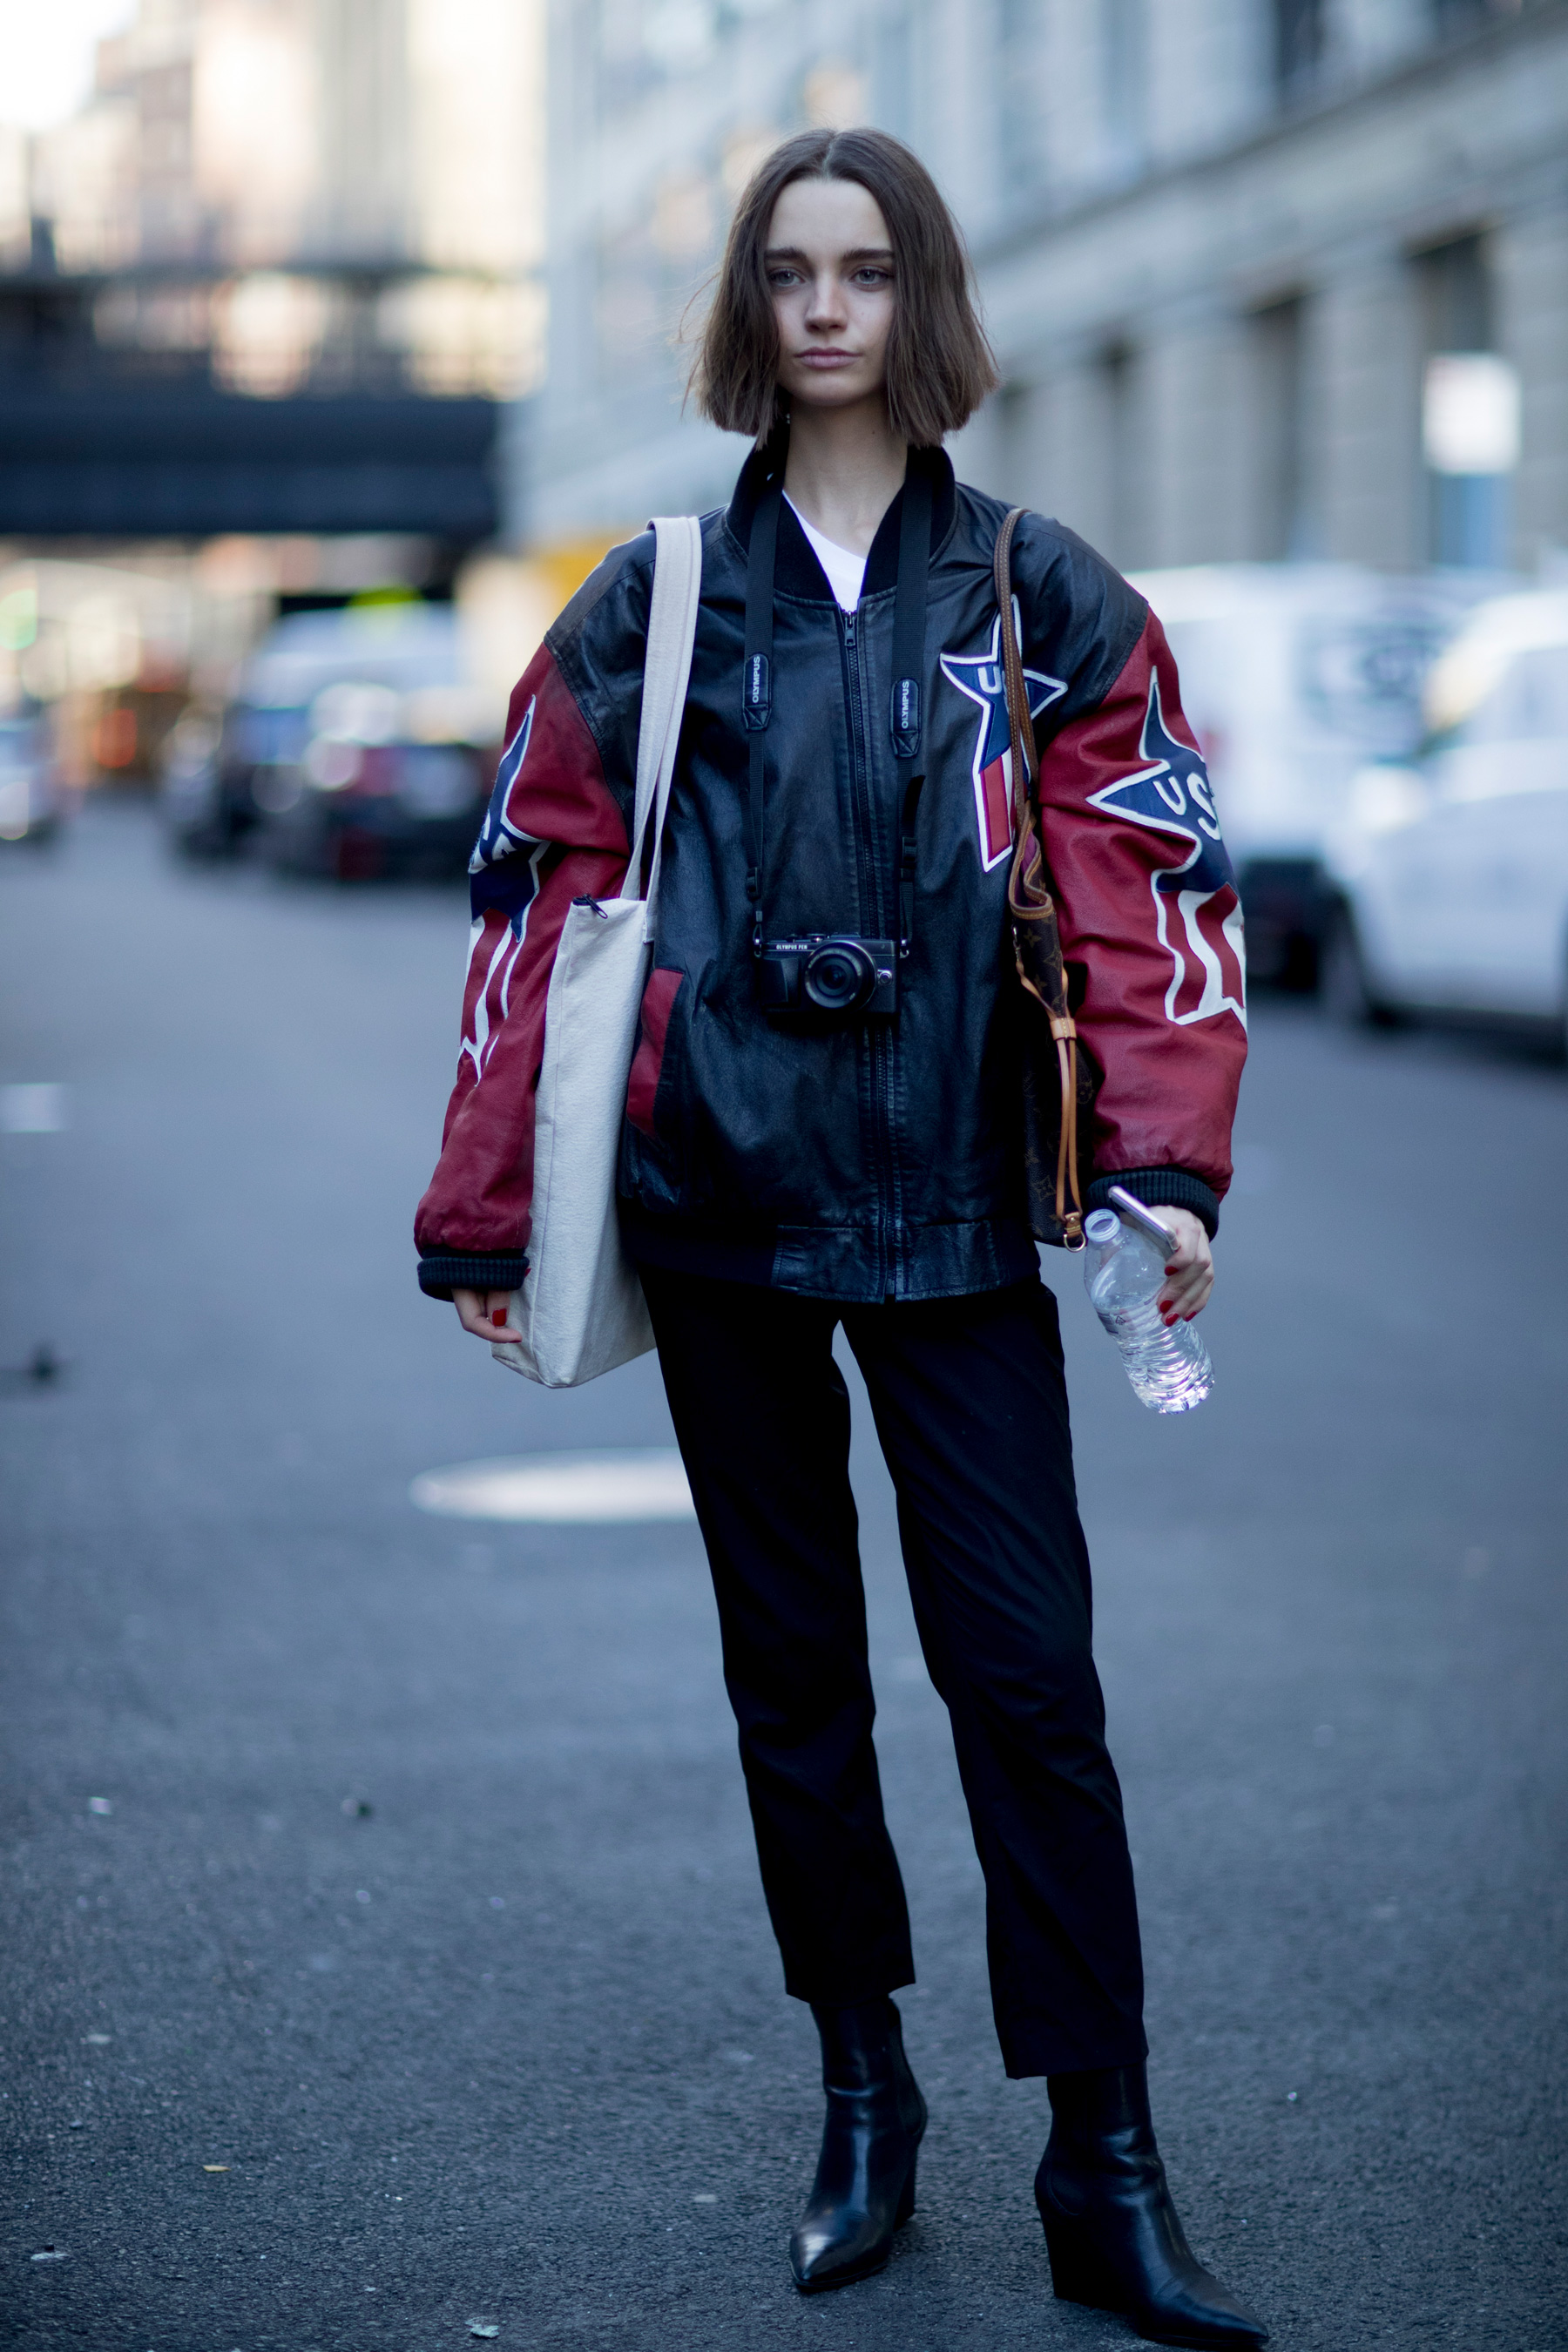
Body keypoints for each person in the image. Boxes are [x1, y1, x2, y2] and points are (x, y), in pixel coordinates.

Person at [414, 127, 1261, 2349]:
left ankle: (1107, 2159)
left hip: (966, 1216)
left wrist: (1165, 1172)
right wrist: (490, 1205)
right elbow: (536, 900)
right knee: (794, 1689)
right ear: (745, 305)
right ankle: (861, 2099)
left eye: (864, 270)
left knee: (1032, 1694)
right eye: (786, 270)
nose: (821, 308)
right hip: (727, 1216)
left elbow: (1154, 885)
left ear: (922, 301)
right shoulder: (657, 599)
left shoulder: (1037, 594)